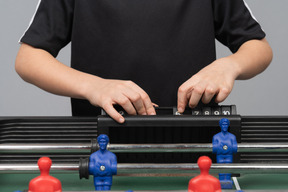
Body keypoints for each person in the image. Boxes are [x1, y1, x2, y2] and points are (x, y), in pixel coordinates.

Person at [15, 0, 273, 123]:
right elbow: (28, 58)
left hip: (196, 142)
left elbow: (258, 47)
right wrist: (94, 87)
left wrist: (229, 66)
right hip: (101, 143)